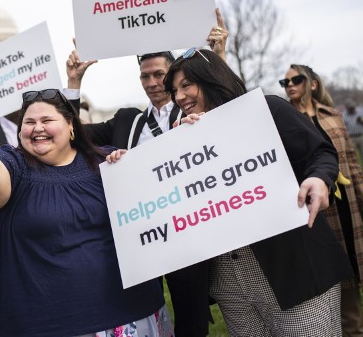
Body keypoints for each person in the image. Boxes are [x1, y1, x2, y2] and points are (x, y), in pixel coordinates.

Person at [0, 90, 172, 337]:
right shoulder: (14, 166)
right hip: (49, 325)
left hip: (132, 314)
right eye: (29, 122)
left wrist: (188, 135)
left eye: (47, 119)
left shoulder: (110, 161)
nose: (37, 128)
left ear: (71, 125)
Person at [142, 48, 352, 335]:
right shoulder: (183, 137)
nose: (178, 97)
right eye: (174, 90)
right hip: (230, 283)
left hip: (295, 269)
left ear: (211, 78)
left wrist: (319, 178)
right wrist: (180, 147)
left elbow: (321, 154)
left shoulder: (267, 110)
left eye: (186, 85)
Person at [62, 11, 229, 336]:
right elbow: (72, 134)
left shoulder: (197, 112)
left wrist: (219, 57)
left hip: (188, 232)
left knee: (192, 322)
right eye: (145, 76)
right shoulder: (127, 120)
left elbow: (229, 113)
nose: (153, 83)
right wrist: (73, 83)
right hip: (139, 233)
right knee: (142, 314)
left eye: (159, 74)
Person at [282, 64, 363, 336]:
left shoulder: (333, 116)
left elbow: (352, 163)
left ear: (312, 83)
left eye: (296, 79)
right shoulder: (284, 120)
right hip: (312, 209)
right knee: (331, 277)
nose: (290, 85)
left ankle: (353, 329)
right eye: (285, 82)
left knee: (351, 274)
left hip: (346, 207)